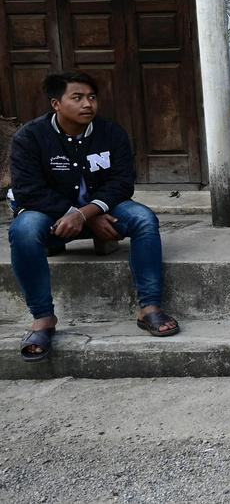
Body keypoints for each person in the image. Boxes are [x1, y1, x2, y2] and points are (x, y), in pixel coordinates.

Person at [9, 72, 180, 362]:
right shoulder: (30, 137)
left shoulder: (111, 133)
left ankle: (149, 307)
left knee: (143, 219)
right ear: (56, 104)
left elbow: (123, 182)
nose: (88, 104)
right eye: (77, 98)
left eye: (91, 97)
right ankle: (43, 319)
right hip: (53, 216)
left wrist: (89, 212)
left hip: (101, 210)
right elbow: (28, 190)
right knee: (23, 230)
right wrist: (78, 215)